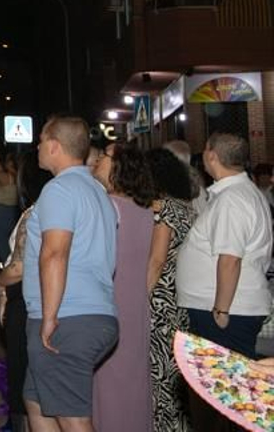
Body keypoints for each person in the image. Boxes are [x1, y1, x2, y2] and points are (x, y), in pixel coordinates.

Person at [21, 115, 117, 432]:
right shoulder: (97, 191)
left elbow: (55, 253)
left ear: (54, 145)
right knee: (37, 405)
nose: (36, 146)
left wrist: (50, 317)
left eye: (41, 140)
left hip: (67, 318)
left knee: (73, 419)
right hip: (92, 315)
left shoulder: (59, 189)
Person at [175, 131, 272, 357]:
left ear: (212, 156)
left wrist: (221, 309)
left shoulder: (232, 199)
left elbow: (230, 259)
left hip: (227, 310)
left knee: (227, 384)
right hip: (227, 306)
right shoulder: (239, 193)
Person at [88, 142, 154, 431]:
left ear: (119, 167)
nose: (98, 159)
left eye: (104, 156)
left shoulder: (107, 207)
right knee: (130, 375)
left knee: (109, 377)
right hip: (134, 304)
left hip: (110, 302)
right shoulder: (144, 209)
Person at [0, 153, 51, 432]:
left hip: (28, 303)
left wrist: (0, 282)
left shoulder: (34, 214)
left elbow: (18, 267)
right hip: (47, 302)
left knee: (26, 390)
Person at [145, 146, 197, 432]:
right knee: (176, 372)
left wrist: (139, 298)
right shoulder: (185, 205)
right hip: (181, 297)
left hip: (161, 301)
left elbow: (156, 260)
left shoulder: (162, 208)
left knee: (160, 375)